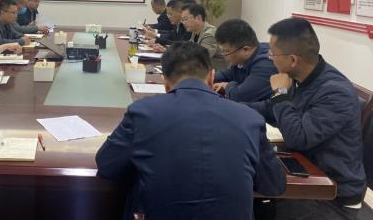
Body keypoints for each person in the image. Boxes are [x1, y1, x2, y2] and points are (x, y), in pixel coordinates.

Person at [95, 42, 286, 220]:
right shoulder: (249, 118)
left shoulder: (142, 112)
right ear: (211, 77)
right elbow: (274, 185)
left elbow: (107, 165)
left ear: (165, 82)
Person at [247, 18, 366, 220]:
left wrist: (280, 93)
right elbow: (270, 108)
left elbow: (298, 138)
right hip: (305, 176)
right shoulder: (301, 78)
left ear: (293, 60)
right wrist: (228, 109)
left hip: (331, 197)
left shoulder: (335, 92)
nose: (270, 59)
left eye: (272, 54)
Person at [213, 19, 276, 102]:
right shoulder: (242, 59)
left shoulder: (266, 64)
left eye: (226, 51)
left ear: (245, 50)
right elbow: (227, 74)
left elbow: (240, 96)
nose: (223, 55)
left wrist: (227, 86)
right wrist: (208, 77)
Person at [180, 3, 226, 70]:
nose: (183, 23)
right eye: (182, 20)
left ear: (198, 18)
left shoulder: (209, 34)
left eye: (185, 19)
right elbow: (188, 48)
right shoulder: (195, 31)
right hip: (202, 70)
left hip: (216, 72)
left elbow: (201, 58)